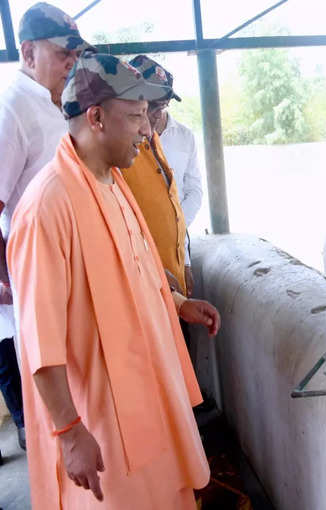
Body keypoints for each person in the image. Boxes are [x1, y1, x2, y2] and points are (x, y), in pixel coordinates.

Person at [8, 52, 221, 508]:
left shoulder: (111, 180)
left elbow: (135, 267)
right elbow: (38, 338)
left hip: (148, 393)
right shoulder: (47, 207)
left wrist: (178, 301)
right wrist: (68, 432)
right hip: (102, 419)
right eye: (136, 117)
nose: (147, 131)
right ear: (97, 117)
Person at [0, 1, 91, 454]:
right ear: (28, 51)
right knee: (59, 413)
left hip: (74, 279)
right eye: (62, 54)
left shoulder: (57, 105)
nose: (70, 63)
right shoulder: (11, 108)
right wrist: (5, 280)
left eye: (74, 56)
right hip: (39, 281)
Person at [129, 55, 204, 297]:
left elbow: (193, 192)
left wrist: (186, 259)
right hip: (141, 266)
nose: (158, 114)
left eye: (164, 105)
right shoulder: (126, 148)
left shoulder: (182, 137)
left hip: (178, 253)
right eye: (153, 106)